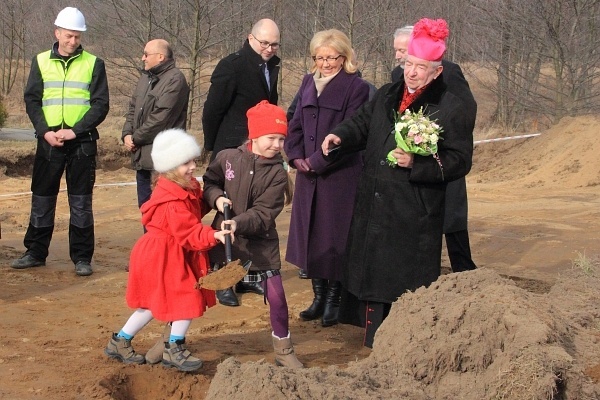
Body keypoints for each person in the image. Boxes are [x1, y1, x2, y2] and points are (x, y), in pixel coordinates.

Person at [321, 18, 474, 347]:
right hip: (375, 202)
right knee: (373, 276)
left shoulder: (450, 106)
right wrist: (340, 135)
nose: (412, 72)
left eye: (421, 66)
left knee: (403, 285)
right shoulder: (389, 93)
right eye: (408, 64)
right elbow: (363, 122)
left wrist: (418, 163)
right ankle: (373, 341)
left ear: (436, 71)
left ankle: (401, 346)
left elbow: (460, 160)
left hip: (413, 211)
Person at [104, 128, 234, 372]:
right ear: (170, 167)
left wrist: (215, 200)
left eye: (193, 160)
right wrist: (214, 235)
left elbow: (193, 211)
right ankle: (174, 348)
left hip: (162, 253)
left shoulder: (179, 189)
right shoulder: (172, 203)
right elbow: (188, 232)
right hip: (162, 256)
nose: (193, 166)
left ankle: (119, 341)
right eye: (186, 163)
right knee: (188, 298)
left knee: (152, 304)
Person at [202, 100, 303, 368]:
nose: (277, 145)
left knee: (278, 297)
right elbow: (210, 182)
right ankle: (168, 341)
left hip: (260, 245)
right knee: (188, 289)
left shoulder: (278, 174)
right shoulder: (227, 157)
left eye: (282, 139)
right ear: (254, 135)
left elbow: (263, 213)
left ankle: (283, 348)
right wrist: (216, 199)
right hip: (222, 241)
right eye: (271, 138)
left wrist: (236, 223)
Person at [11, 7, 109, 276]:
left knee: (80, 202)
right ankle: (35, 252)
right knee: (42, 199)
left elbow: (101, 105)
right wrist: (44, 131)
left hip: (82, 142)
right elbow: (32, 100)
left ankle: (81, 257)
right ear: (57, 33)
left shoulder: (94, 63)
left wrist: (75, 131)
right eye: (69, 36)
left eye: (77, 37)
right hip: (48, 140)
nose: (73, 41)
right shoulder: (41, 61)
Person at [284, 29, 370, 327]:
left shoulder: (356, 87)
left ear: (344, 57)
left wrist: (318, 162)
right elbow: (294, 123)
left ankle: (334, 300)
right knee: (311, 238)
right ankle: (318, 297)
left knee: (334, 240)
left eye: (331, 57)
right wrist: (294, 157)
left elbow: (353, 133)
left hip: (339, 176)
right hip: (307, 175)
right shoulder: (308, 82)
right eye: (319, 58)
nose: (325, 63)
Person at [202, 18, 281, 305]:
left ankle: (246, 277)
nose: (270, 48)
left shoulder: (272, 65)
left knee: (251, 212)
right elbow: (212, 110)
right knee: (228, 211)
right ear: (250, 38)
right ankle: (223, 277)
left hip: (257, 150)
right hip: (231, 149)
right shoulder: (232, 65)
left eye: (274, 44)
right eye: (265, 43)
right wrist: (214, 147)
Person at [391, 25, 478, 273]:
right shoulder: (396, 76)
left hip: (440, 157)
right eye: (398, 51)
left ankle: (464, 270)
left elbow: (465, 108)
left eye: (402, 50)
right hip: (408, 164)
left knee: (452, 220)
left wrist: (435, 134)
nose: (398, 56)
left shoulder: (449, 72)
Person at [122, 39, 189, 210]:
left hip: (163, 163)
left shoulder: (175, 80)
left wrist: (136, 138)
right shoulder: (145, 78)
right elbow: (133, 108)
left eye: (146, 54)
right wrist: (127, 133)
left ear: (160, 57)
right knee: (146, 210)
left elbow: (161, 118)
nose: (142, 58)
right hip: (143, 158)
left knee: (164, 213)